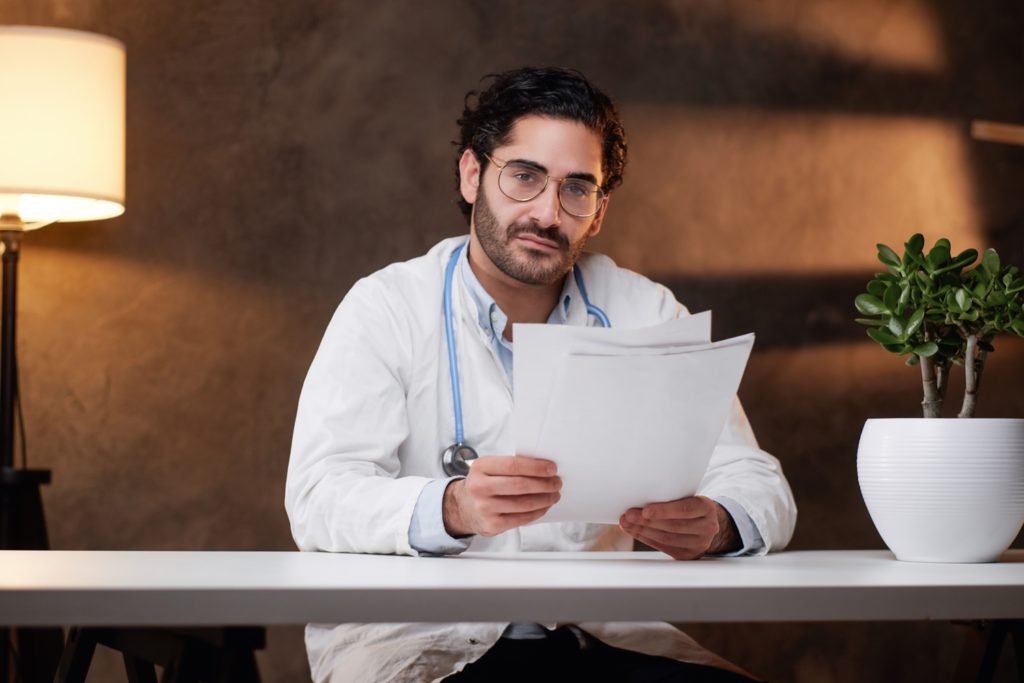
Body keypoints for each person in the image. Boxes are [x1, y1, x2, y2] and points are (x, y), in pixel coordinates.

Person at [286, 66, 797, 682]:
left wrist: (716, 523)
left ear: (600, 210)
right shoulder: (386, 307)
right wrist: (452, 508)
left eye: (577, 189)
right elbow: (319, 496)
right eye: (524, 177)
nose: (548, 213)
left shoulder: (648, 312)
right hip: (426, 640)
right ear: (473, 175)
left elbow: (759, 483)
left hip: (597, 637)